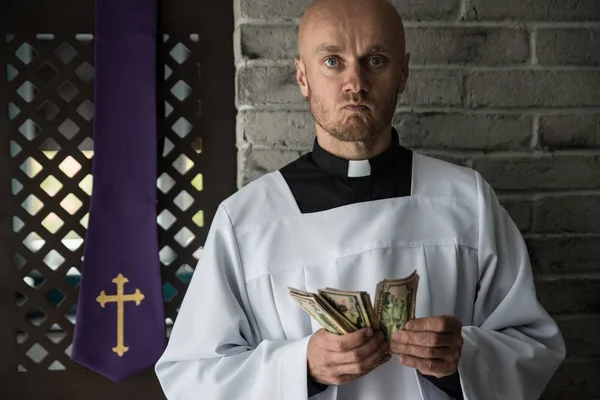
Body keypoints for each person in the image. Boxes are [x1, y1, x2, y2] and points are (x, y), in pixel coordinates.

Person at [154, 0, 566, 398]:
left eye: (376, 60)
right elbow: (193, 375)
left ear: (402, 74)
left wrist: (462, 360)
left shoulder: (466, 201)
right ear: (302, 77)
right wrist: (301, 368)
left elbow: (531, 345)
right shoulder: (246, 221)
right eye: (332, 61)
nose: (355, 83)